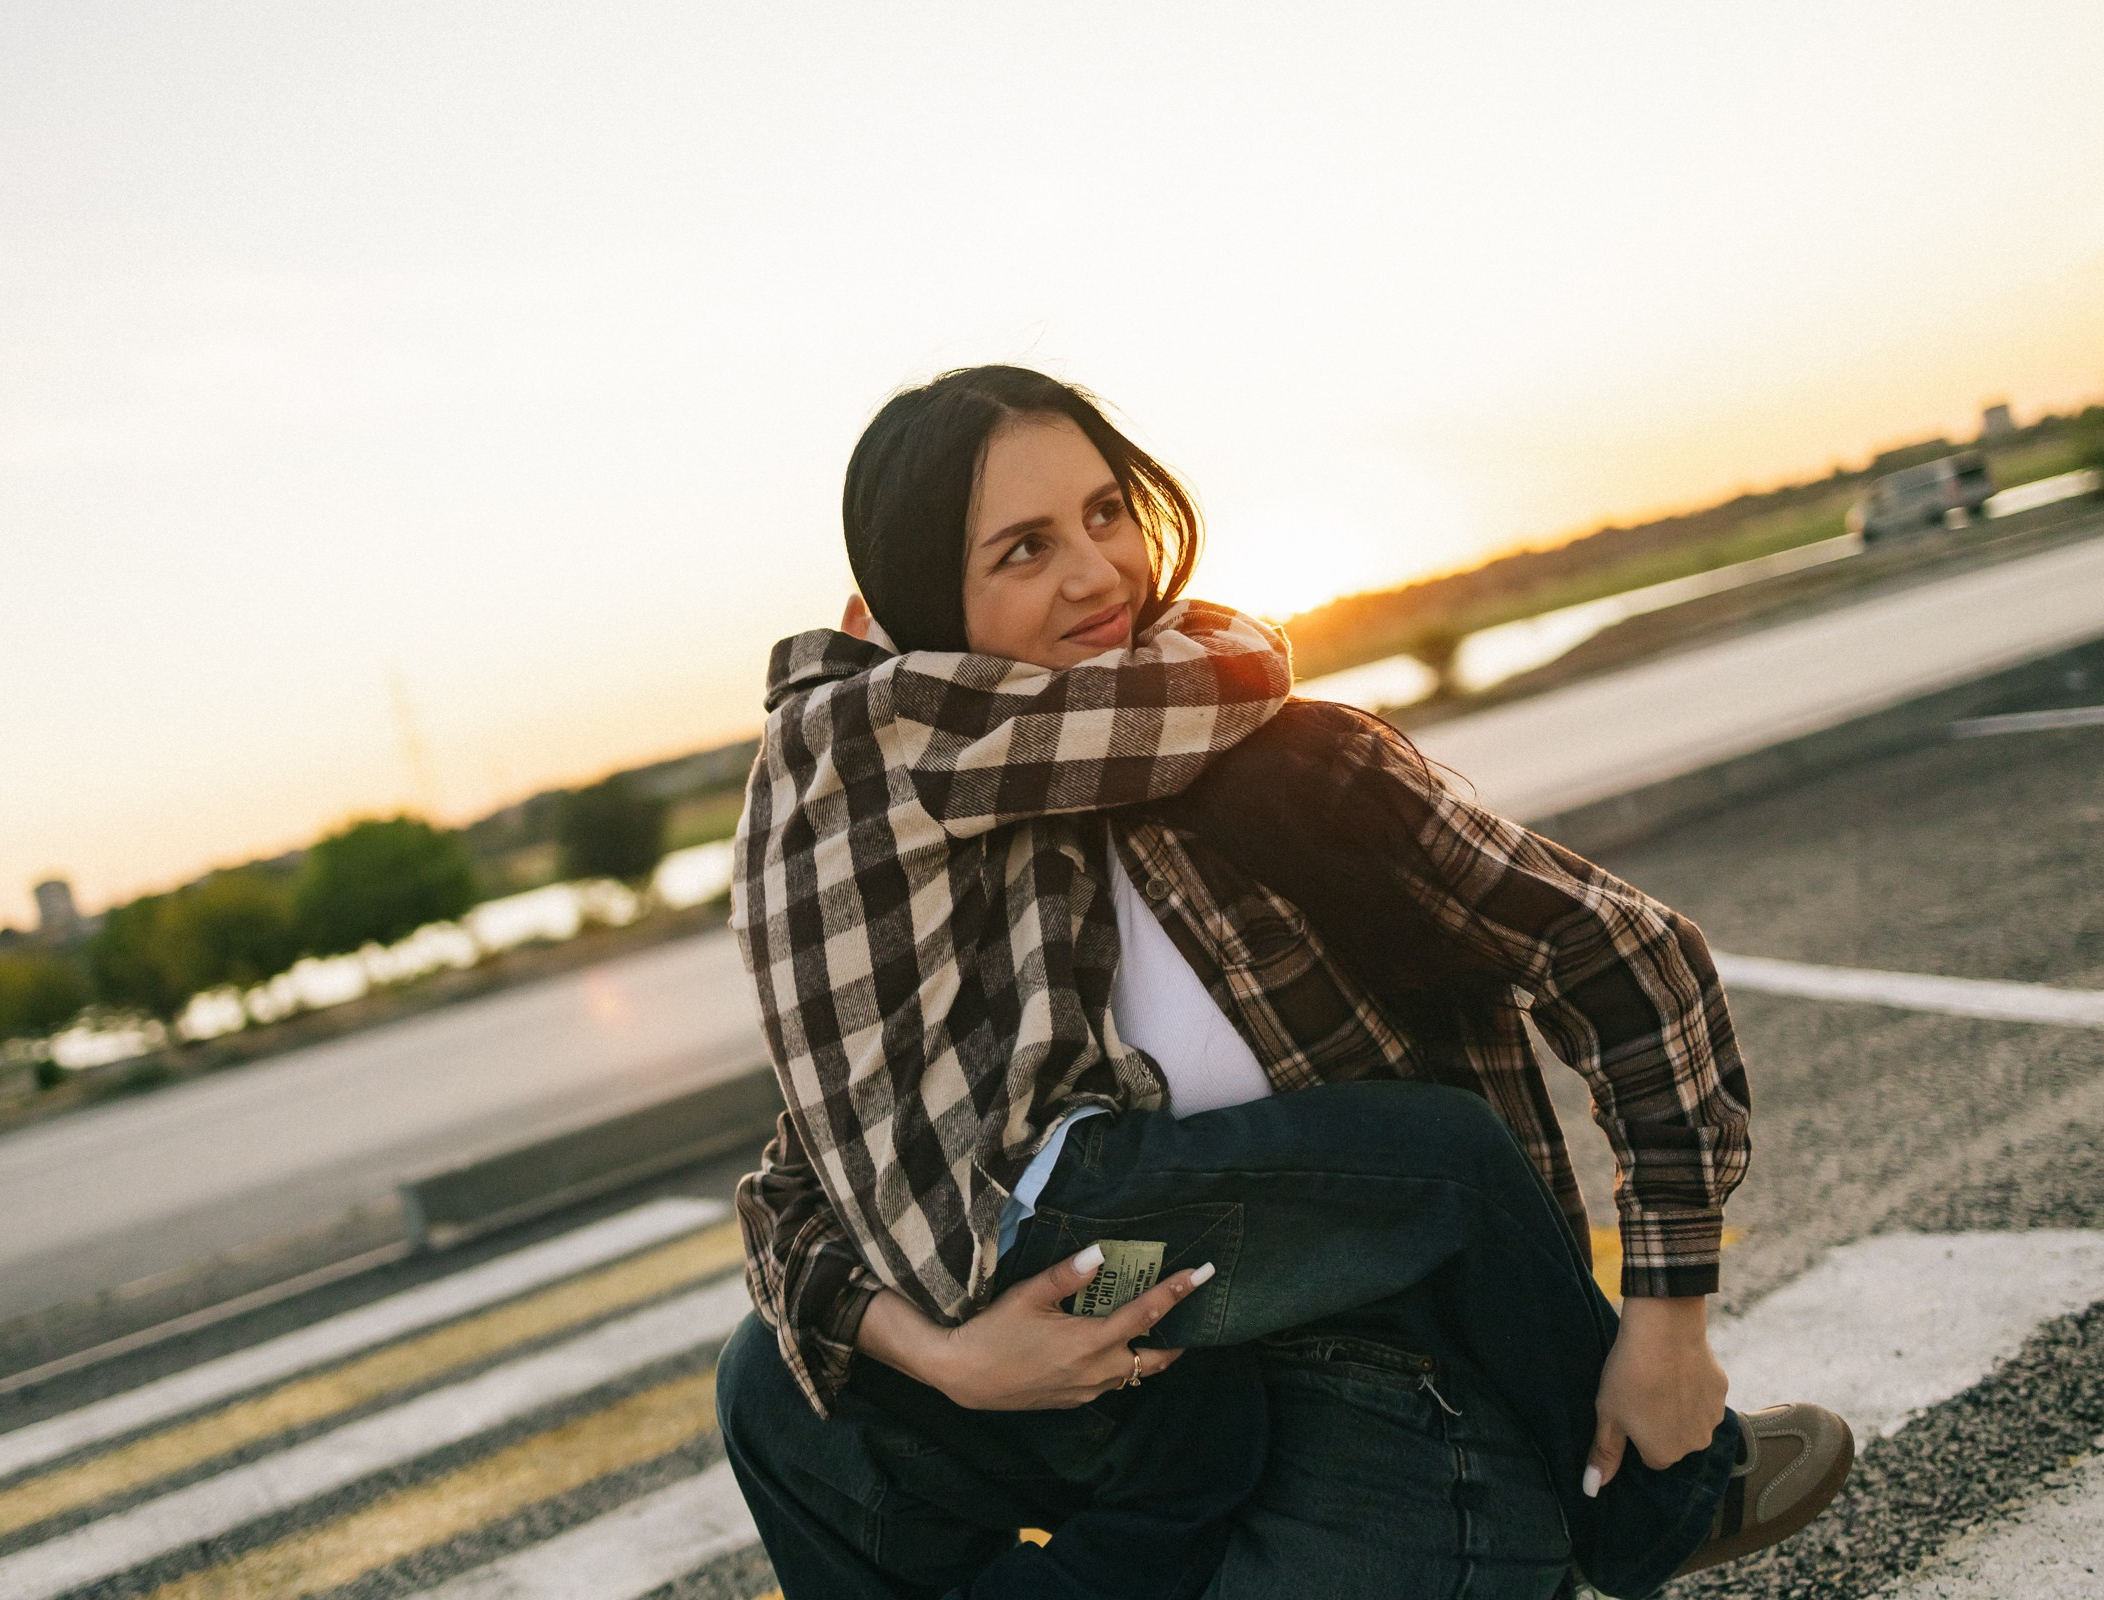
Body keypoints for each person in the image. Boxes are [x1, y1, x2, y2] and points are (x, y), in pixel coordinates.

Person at [717, 365, 1853, 1598]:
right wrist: (956, 1362)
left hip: (1386, 1392)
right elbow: (799, 1190)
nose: (1097, 571)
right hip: (1135, 1311)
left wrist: (1667, 1325)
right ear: (923, 603)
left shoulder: (1290, 771)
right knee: (770, 1386)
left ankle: (1655, 1494)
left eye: (1107, 512)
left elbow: (1633, 964)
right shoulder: (952, 850)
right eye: (1025, 549)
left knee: (1444, 1162)